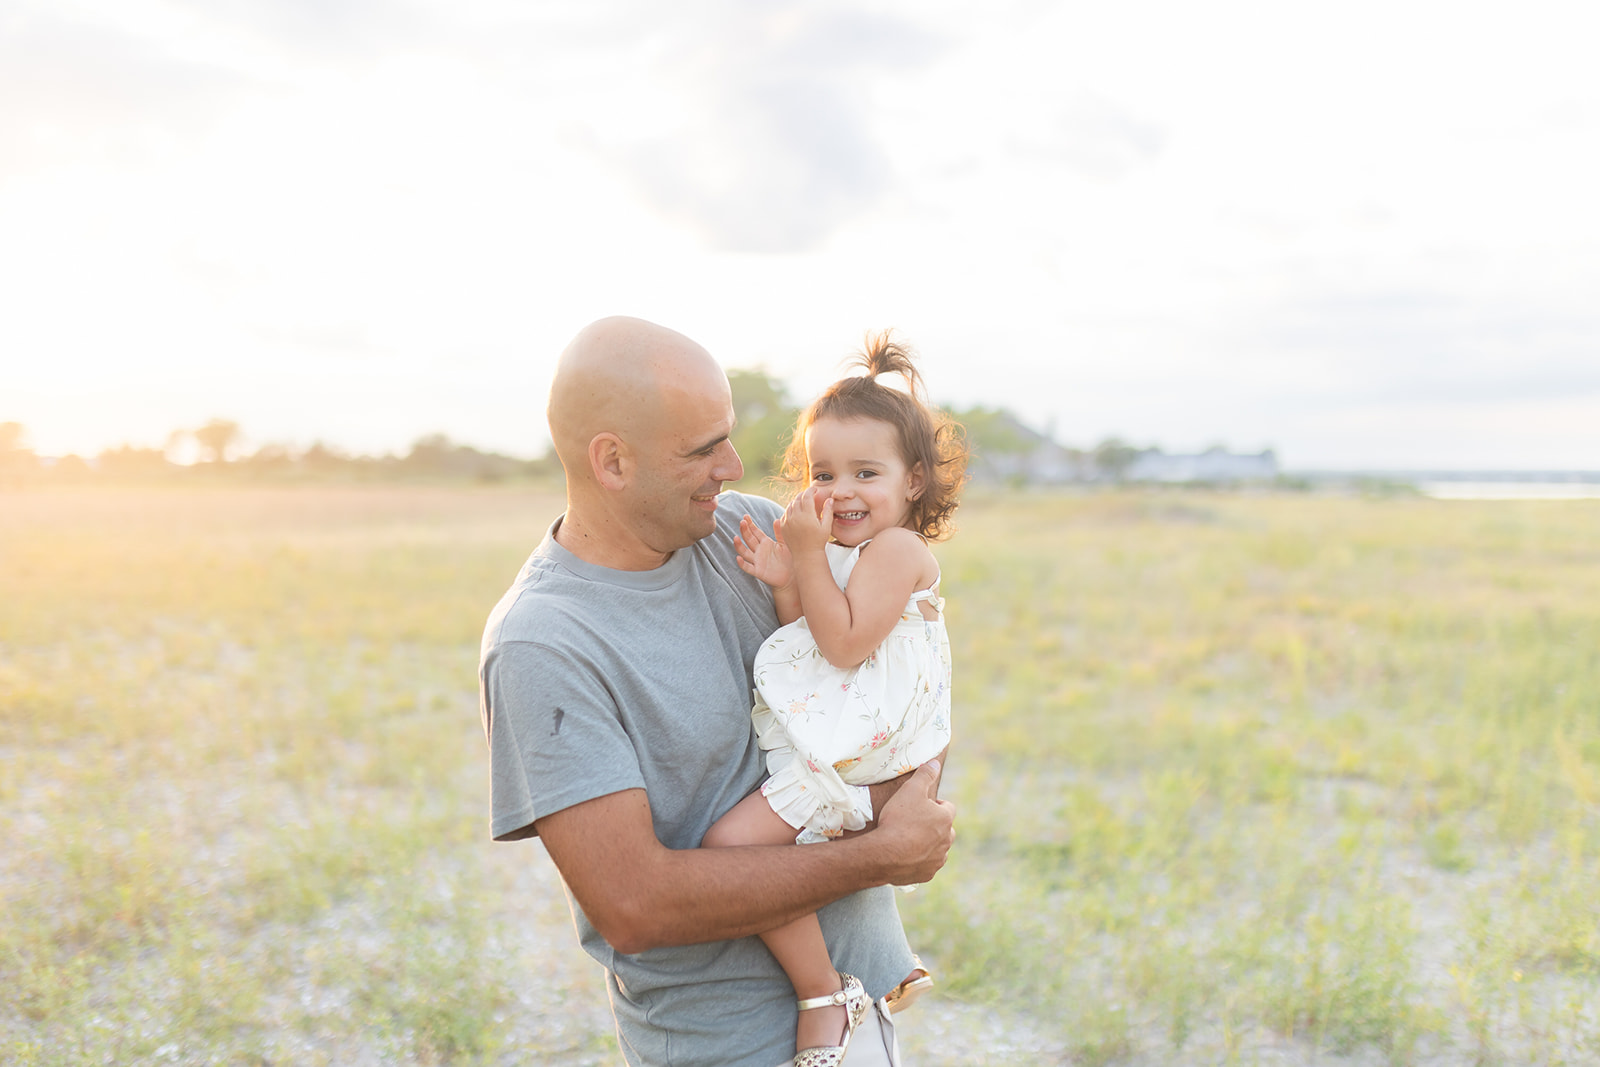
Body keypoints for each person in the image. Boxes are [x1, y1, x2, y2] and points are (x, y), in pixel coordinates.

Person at [479, 316, 956, 1067]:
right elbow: (634, 905)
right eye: (703, 448)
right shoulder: (544, 642)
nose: (734, 465)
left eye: (727, 436)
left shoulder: (750, 536)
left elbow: (889, 683)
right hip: (730, 1046)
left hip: (866, 1013)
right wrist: (880, 850)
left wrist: (911, 797)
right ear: (612, 461)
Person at [701, 334, 965, 1066]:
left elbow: (845, 646)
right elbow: (810, 643)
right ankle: (873, 975)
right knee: (790, 857)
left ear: (914, 482)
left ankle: (826, 994)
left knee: (733, 851)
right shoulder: (850, 552)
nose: (841, 489)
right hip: (848, 748)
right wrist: (787, 578)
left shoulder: (900, 551)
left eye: (866, 472)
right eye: (823, 472)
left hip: (863, 758)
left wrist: (809, 557)